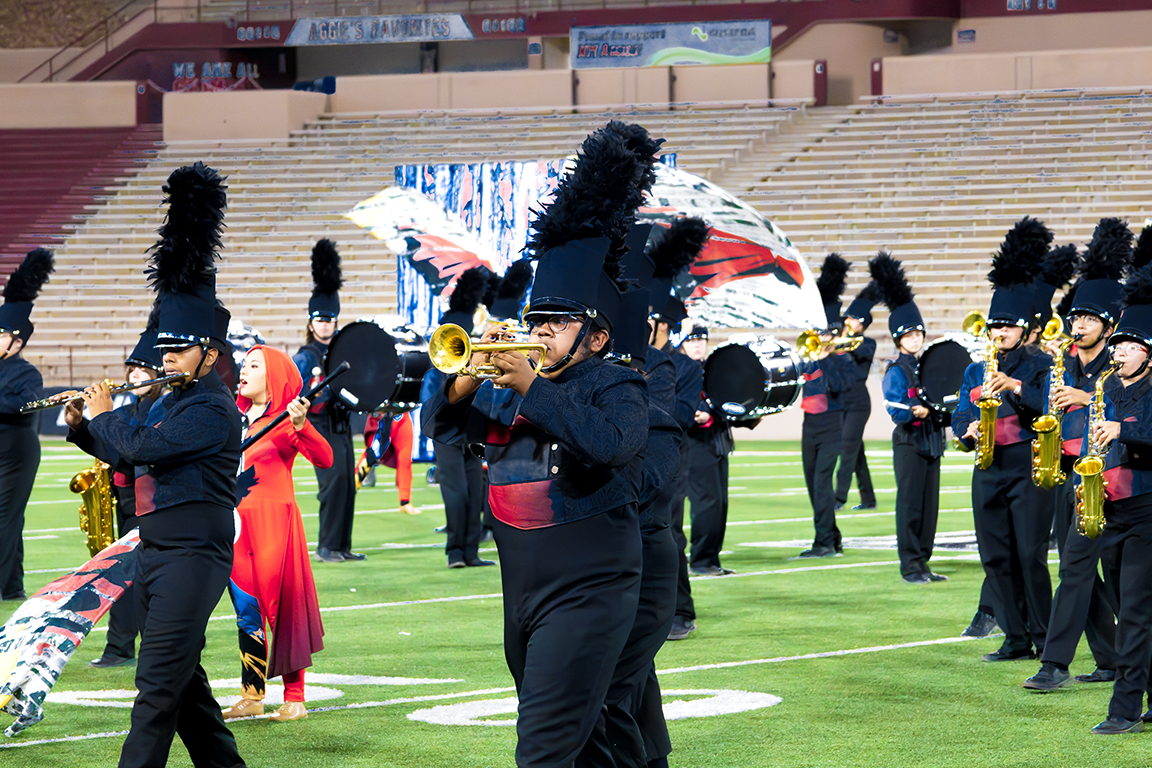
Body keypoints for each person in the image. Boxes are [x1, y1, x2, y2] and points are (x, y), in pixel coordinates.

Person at [423, 122, 656, 766]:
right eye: (537, 320)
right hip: (521, 590)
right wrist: (467, 379)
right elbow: (444, 433)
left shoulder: (618, 385)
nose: (542, 331)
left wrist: (532, 388)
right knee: (589, 746)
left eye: (558, 322)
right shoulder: (512, 386)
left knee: (542, 752)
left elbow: (611, 446)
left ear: (598, 337)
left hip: (591, 587)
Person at [74, 162, 246, 768]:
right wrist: (81, 428)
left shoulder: (212, 411)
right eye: (165, 349)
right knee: (185, 689)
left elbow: (142, 450)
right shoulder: (171, 400)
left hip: (195, 557)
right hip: (154, 552)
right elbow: (125, 452)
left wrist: (104, 414)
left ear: (210, 353)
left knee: (153, 694)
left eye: (179, 349)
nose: (169, 358)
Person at [1024, 222, 1133, 690]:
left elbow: (1134, 409)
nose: (1078, 324)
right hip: (1070, 473)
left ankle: (1055, 664)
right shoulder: (1062, 361)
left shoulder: (1123, 364)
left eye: (1088, 319)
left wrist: (1086, 398)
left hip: (1112, 477)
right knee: (1080, 569)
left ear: (1108, 326)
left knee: (1086, 569)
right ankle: (1107, 659)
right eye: (1075, 318)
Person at [952, 217, 1055, 662]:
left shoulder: (1039, 364)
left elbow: (1048, 407)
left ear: (1023, 328)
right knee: (994, 556)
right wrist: (967, 430)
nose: (999, 333)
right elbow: (960, 410)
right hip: (987, 467)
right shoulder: (976, 369)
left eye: (1008, 327)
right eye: (994, 326)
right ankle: (1014, 638)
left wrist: (1012, 385)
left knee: (1030, 556)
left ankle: (1046, 636)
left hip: (1027, 468)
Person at [221, 346, 331, 723]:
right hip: (235, 527)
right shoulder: (232, 420)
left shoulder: (285, 421)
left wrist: (302, 425)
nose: (243, 370)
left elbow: (326, 458)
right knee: (246, 612)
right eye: (244, 364)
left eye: (254, 365)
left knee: (282, 610)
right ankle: (252, 695)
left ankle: (295, 696)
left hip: (273, 525)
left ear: (275, 377)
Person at [69, 304, 167, 667]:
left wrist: (103, 417)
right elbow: (113, 451)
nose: (135, 374)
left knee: (147, 583)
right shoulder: (130, 408)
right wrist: (80, 424)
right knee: (120, 581)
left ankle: (147, 647)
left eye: (143, 368)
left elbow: (133, 452)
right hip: (127, 505)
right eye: (133, 368)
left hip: (153, 506)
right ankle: (119, 646)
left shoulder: (165, 408)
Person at [1080, 260, 1152, 733]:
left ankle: (1123, 709)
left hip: (1148, 511)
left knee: (1137, 613)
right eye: (1120, 344)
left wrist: (1120, 429)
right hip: (1111, 508)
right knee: (1129, 609)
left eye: (1132, 346)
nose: (1122, 352)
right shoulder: (1105, 386)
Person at [872, 253, 947, 583]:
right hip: (909, 442)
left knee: (930, 508)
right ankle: (909, 564)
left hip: (932, 442)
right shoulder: (896, 368)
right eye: (908, 336)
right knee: (910, 506)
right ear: (898, 339)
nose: (915, 340)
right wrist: (915, 411)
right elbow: (893, 405)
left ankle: (924, 562)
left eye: (918, 334)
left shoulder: (930, 365)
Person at [293, 238, 362, 563]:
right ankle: (326, 546)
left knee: (347, 485)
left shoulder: (341, 351)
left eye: (330, 320)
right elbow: (298, 392)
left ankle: (342, 545)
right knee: (332, 486)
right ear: (310, 323)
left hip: (342, 424)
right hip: (320, 426)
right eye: (320, 320)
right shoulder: (306, 356)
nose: (325, 324)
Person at [0, 248, 53, 604]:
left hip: (16, 453)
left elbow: (26, 405)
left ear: (17, 341)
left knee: (4, 517)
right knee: (9, 519)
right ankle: (12, 584)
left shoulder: (26, 372)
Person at [797, 253, 858, 558]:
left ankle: (822, 542)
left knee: (822, 482)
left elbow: (841, 387)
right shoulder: (808, 355)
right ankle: (832, 536)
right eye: (818, 333)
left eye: (825, 333)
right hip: (809, 425)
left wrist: (827, 359)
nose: (821, 338)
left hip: (833, 424)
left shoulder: (843, 360)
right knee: (813, 485)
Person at [679, 325, 735, 577]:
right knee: (706, 502)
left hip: (717, 440)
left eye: (701, 339)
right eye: (692, 340)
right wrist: (696, 413)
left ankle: (712, 558)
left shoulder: (713, 369)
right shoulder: (678, 368)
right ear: (682, 344)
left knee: (720, 502)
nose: (698, 344)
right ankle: (700, 560)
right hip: (694, 442)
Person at [836, 280, 880, 512]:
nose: (850, 322)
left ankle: (839, 497)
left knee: (846, 446)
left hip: (858, 403)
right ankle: (869, 498)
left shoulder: (866, 344)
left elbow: (858, 352)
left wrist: (843, 341)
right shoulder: (834, 341)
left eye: (856, 321)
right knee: (856, 451)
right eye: (849, 318)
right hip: (839, 400)